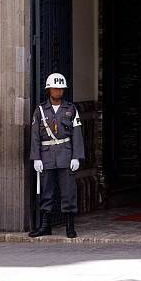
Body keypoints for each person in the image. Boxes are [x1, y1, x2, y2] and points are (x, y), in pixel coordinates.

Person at [29, 73, 85, 238]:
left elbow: (77, 133)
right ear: (49, 90)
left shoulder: (71, 109)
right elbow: (34, 136)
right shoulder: (40, 110)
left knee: (68, 192)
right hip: (46, 156)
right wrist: (36, 158)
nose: (57, 91)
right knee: (47, 192)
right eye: (54, 88)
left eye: (60, 89)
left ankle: (70, 225)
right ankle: (45, 225)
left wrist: (76, 156)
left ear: (63, 91)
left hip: (65, 155)